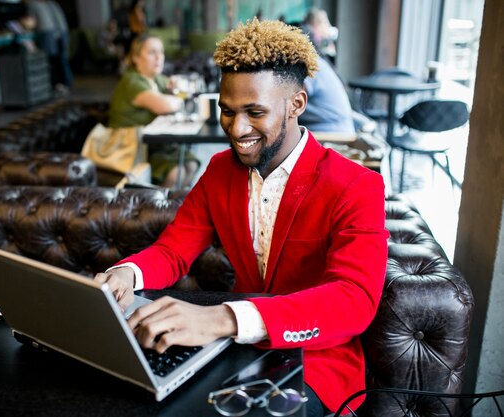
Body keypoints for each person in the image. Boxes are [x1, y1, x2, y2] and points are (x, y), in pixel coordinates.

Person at [96, 18, 388, 416]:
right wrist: (127, 274)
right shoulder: (220, 170)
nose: (237, 128)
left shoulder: (356, 185)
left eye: (255, 111)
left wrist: (224, 319)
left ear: (296, 104)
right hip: (235, 352)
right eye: (227, 111)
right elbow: (173, 251)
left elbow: (353, 301)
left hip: (316, 360)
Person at [107, 34, 200, 187]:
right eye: (152, 52)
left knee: (190, 163)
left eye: (161, 52)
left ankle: (173, 206)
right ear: (135, 57)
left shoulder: (155, 78)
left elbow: (181, 86)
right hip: (130, 150)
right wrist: (179, 97)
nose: (159, 57)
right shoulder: (132, 81)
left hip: (153, 146)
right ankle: (157, 208)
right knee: (176, 172)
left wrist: (177, 90)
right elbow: (166, 105)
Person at [24, 0, 73, 94]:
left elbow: (31, 23)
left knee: (50, 61)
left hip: (47, 33)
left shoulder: (32, 5)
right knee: (62, 60)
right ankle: (66, 85)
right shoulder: (52, 4)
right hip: (62, 32)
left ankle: (56, 85)